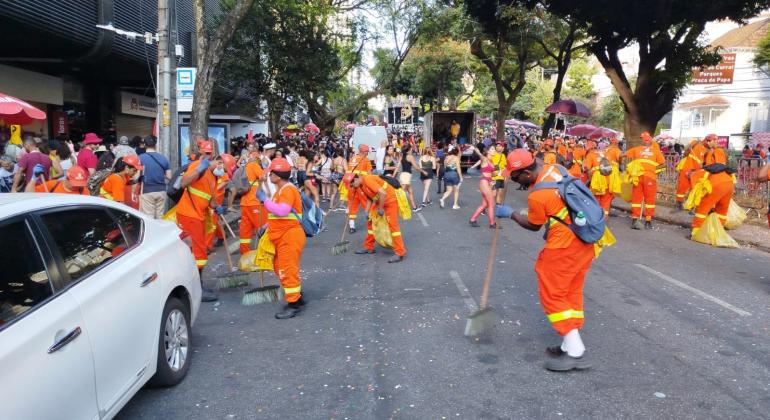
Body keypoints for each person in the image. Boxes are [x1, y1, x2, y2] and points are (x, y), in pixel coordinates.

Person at [495, 149, 594, 372]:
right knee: (570, 290)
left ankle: (576, 351)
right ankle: (569, 343)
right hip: (585, 239)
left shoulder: (538, 196)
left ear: (528, 173)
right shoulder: (556, 168)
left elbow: (533, 225)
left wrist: (510, 213)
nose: (514, 179)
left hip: (564, 246)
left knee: (553, 293)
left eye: (515, 176)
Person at [255, 158, 307, 319]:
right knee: (280, 267)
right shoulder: (282, 190)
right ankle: (296, 294)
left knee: (287, 269)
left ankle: (294, 303)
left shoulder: (288, 190)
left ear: (277, 175)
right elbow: (278, 214)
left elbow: (283, 211)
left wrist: (264, 200)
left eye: (271, 173)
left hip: (289, 236)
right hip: (282, 235)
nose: (269, 175)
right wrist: (266, 227)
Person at [176, 140, 224, 302]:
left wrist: (216, 206)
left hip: (198, 215)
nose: (219, 166)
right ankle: (197, 289)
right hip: (189, 215)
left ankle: (197, 284)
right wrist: (199, 169)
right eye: (209, 155)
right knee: (199, 252)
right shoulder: (197, 166)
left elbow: (208, 196)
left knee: (199, 251)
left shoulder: (212, 175)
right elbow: (183, 183)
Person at [346, 173, 406, 263]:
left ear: (355, 180)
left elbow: (383, 193)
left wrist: (381, 209)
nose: (353, 187)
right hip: (380, 201)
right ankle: (368, 247)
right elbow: (371, 198)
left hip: (390, 201)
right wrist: (367, 210)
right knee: (371, 222)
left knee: (393, 226)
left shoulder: (368, 180)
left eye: (352, 185)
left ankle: (400, 253)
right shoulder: (361, 185)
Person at [689, 134, 734, 238]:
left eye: (708, 141)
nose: (707, 143)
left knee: (703, 207)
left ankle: (695, 233)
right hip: (728, 184)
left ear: (712, 141)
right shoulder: (719, 151)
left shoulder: (716, 151)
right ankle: (718, 234)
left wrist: (702, 170)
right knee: (722, 210)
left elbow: (717, 166)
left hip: (717, 182)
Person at [623, 132, 665, 230]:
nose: (645, 140)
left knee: (638, 199)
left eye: (645, 139)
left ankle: (637, 219)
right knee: (648, 199)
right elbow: (663, 164)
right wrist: (654, 172)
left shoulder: (638, 149)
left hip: (639, 177)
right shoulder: (654, 151)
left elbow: (622, 155)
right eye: (644, 139)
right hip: (647, 178)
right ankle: (646, 221)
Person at [239, 151, 267, 255]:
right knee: (263, 228)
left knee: (245, 231)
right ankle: (264, 254)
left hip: (244, 203)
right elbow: (263, 177)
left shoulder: (244, 167)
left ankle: (245, 255)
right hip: (254, 201)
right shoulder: (254, 165)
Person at [138, 135, 172, 219]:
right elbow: (169, 176)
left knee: (148, 217)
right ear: (155, 145)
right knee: (159, 217)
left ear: (145, 145)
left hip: (147, 190)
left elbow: (136, 176)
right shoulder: (164, 158)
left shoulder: (140, 158)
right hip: (161, 191)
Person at [346, 144, 374, 233]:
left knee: (352, 204)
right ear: (363, 152)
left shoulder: (352, 159)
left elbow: (348, 172)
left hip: (351, 185)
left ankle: (351, 226)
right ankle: (372, 223)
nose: (368, 153)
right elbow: (370, 175)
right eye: (367, 152)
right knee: (367, 203)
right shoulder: (366, 160)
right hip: (361, 186)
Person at [468, 145, 497, 228]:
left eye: (494, 149)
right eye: (492, 149)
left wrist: (497, 172)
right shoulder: (484, 159)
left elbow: (492, 173)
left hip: (489, 182)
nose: (494, 150)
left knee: (485, 205)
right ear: (488, 151)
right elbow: (480, 155)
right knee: (491, 204)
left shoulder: (491, 161)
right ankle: (492, 224)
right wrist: (474, 149)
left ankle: (473, 219)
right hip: (484, 182)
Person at [674, 138, 707, 211]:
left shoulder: (706, 149)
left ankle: (690, 204)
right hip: (688, 167)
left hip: (694, 170)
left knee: (692, 187)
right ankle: (680, 203)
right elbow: (687, 150)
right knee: (683, 186)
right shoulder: (696, 143)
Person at [25, 166, 90, 195]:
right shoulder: (53, 185)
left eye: (80, 184)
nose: (77, 186)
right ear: (66, 179)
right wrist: (34, 178)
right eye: (75, 183)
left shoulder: (83, 191)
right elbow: (28, 194)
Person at [397, 144, 420, 212]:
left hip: (404, 175)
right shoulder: (410, 156)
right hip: (406, 176)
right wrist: (421, 169)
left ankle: (414, 207)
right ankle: (393, 206)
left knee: (410, 192)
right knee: (401, 193)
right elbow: (416, 167)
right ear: (409, 150)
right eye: (411, 148)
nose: (412, 149)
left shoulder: (402, 156)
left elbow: (398, 165)